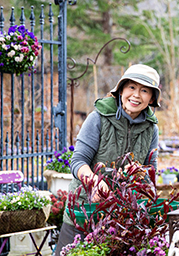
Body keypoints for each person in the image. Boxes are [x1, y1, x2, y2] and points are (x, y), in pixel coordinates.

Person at [54, 64, 161, 255]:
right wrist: (94, 182)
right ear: (120, 90)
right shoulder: (98, 118)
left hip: (123, 219)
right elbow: (78, 161)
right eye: (131, 87)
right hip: (84, 211)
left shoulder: (151, 128)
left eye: (144, 90)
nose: (136, 95)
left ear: (152, 98)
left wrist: (147, 200)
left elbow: (149, 172)